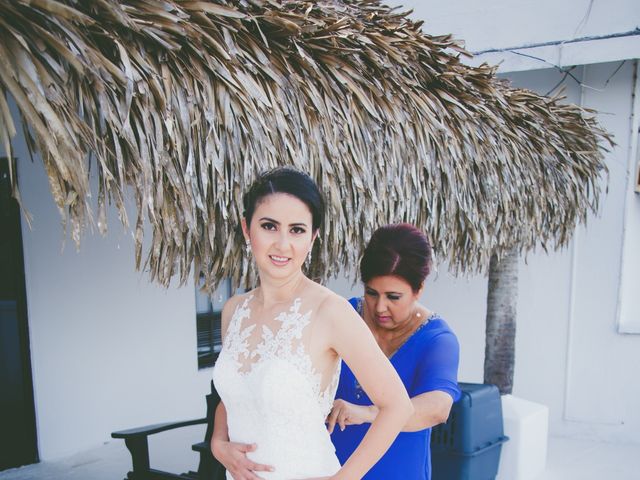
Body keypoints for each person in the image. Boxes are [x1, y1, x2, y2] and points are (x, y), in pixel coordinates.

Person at [211, 167, 413, 480]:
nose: (282, 244)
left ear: (313, 237)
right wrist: (217, 442)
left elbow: (398, 406)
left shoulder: (330, 311)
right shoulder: (234, 311)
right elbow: (237, 394)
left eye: (296, 230)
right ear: (246, 228)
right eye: (269, 226)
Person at [328, 223, 461, 480]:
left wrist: (367, 413)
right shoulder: (341, 317)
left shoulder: (438, 339)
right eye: (371, 293)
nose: (380, 307)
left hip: (397, 471)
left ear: (418, 289)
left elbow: (438, 407)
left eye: (393, 297)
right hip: (329, 468)